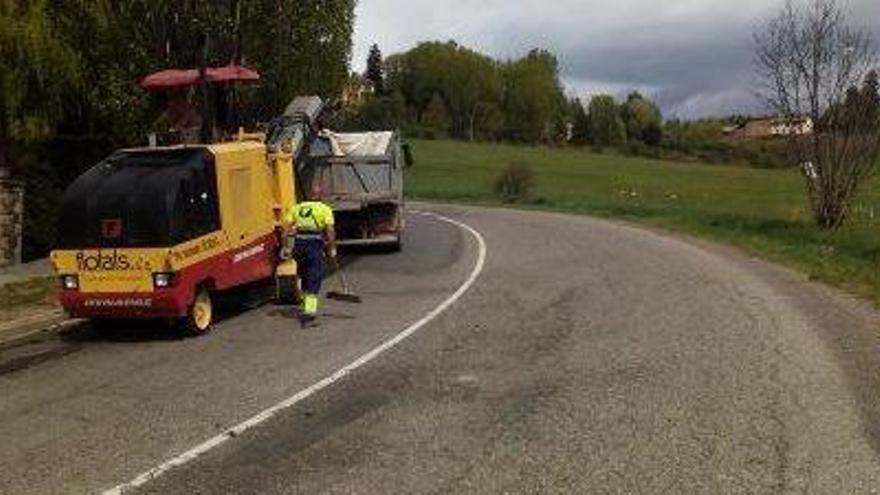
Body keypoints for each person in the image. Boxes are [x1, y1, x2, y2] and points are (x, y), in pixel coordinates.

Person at [284, 186, 336, 325]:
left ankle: (307, 304)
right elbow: (330, 231)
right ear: (320, 196)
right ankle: (310, 311)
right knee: (315, 276)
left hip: (299, 246)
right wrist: (331, 248)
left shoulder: (296, 208)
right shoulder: (324, 209)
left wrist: (286, 247)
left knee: (305, 275)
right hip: (314, 246)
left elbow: (285, 230)